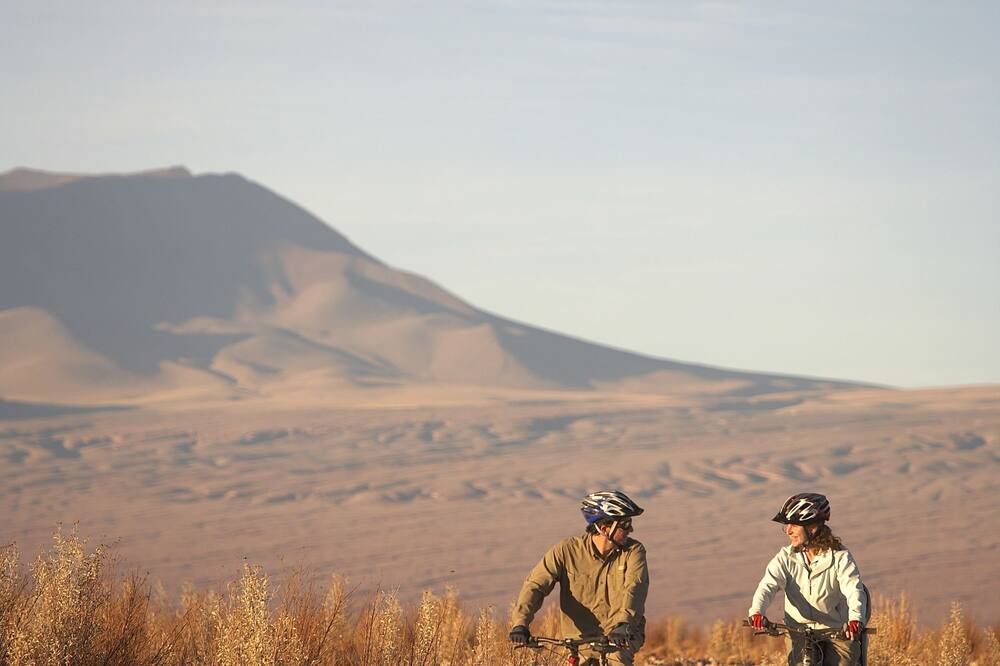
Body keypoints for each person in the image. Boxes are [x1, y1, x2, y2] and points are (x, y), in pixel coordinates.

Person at [509, 490, 649, 665]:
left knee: (617, 660)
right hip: (577, 641)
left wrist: (623, 624)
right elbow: (535, 585)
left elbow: (634, 588)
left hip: (622, 635)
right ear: (605, 528)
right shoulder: (565, 551)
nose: (631, 529)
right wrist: (520, 624)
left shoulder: (633, 551)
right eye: (625, 525)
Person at [748, 492, 869, 666]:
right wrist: (757, 612)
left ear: (812, 527)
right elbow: (768, 585)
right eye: (787, 525)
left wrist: (855, 620)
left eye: (794, 525)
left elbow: (853, 588)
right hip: (798, 631)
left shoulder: (840, 557)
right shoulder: (785, 558)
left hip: (836, 631)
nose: (788, 531)